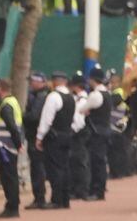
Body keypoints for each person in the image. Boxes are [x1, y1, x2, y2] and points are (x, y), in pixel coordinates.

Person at [36, 71, 75, 209]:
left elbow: (46, 119)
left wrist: (39, 137)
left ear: (54, 81)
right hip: (67, 136)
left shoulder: (53, 96)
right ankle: (65, 199)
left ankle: (56, 199)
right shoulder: (71, 97)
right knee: (65, 167)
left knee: (54, 169)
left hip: (54, 137)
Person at [81, 66, 111, 201]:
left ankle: (96, 190)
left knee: (96, 162)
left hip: (96, 132)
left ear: (93, 80)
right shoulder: (107, 94)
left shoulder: (95, 95)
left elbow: (82, 109)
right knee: (101, 161)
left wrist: (86, 111)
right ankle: (100, 189)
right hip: (104, 131)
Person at [0, 78, 24, 218]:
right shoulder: (13, 101)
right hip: (10, 145)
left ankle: (12, 207)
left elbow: (12, 126)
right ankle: (12, 205)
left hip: (5, 146)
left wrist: (18, 143)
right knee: (10, 176)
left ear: (0, 88)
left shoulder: (6, 105)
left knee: (8, 177)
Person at [21, 72, 49, 209]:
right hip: (35, 135)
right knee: (37, 167)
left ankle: (39, 198)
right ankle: (39, 197)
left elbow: (34, 116)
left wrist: (22, 116)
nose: (31, 84)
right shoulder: (37, 95)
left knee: (37, 167)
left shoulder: (40, 97)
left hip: (35, 135)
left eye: (34, 81)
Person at [67, 71, 91, 201]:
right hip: (79, 134)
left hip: (79, 134)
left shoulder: (81, 101)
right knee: (77, 162)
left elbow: (78, 120)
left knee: (79, 162)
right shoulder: (80, 99)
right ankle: (78, 189)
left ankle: (81, 189)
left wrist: (72, 131)